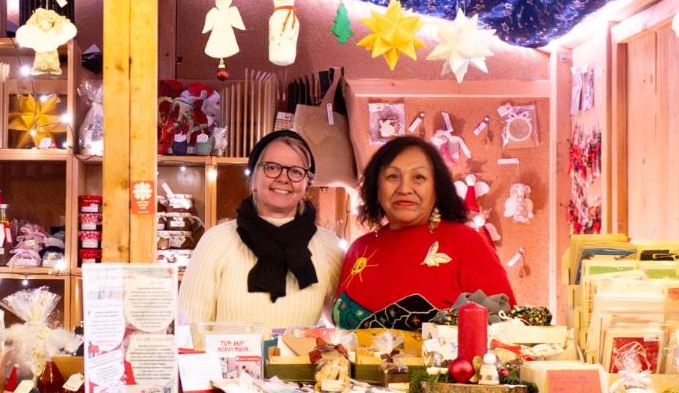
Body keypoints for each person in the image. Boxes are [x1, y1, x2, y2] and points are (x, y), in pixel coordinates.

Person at [333, 135, 513, 330]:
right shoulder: (359, 248)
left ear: (437, 188)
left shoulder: (466, 242)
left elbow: (507, 328)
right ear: (376, 187)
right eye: (392, 176)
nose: (404, 188)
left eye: (418, 177)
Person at [178, 129, 344, 332]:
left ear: (306, 184)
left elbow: (344, 323)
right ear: (253, 177)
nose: (284, 178)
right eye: (271, 167)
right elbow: (189, 328)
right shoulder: (216, 241)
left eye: (296, 171)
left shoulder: (329, 246)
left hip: (300, 365)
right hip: (225, 364)